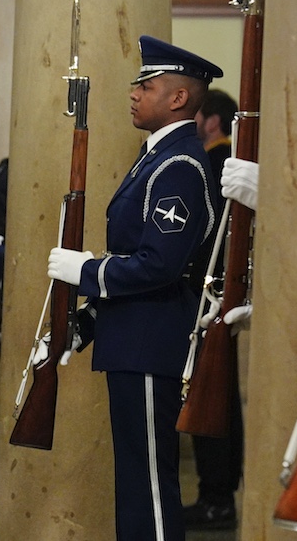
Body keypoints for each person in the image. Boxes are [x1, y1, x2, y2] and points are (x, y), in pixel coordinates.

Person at [47, 35, 221, 541]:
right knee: (135, 482)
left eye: (147, 84)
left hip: (153, 341)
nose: (134, 92)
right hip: (134, 338)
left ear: (179, 98)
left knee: (149, 484)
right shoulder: (157, 157)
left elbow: (158, 265)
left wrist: (86, 271)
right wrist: (89, 320)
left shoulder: (180, 166)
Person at [184, 88, 243, 530]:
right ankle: (216, 494)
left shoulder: (216, 164)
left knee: (211, 398)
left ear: (212, 120)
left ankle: (216, 496)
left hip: (209, 297)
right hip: (217, 294)